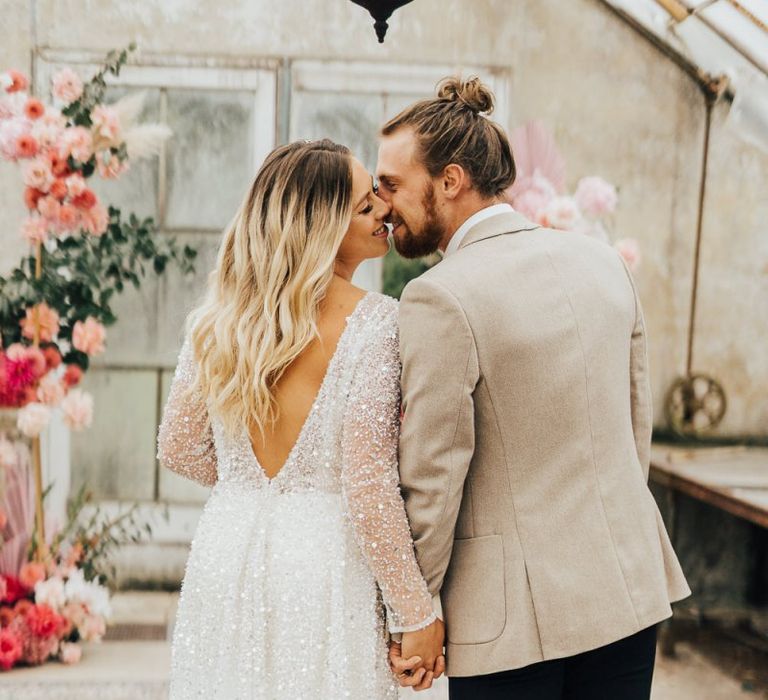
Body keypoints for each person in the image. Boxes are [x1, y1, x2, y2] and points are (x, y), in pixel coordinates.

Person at [377, 77, 691, 700]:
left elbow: (433, 477)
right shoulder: (604, 263)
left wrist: (413, 614)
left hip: (516, 626)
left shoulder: (440, 295)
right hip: (627, 590)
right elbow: (634, 431)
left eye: (391, 184)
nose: (382, 203)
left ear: (450, 180)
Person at [157, 139, 444, 699]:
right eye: (366, 206)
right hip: (325, 565)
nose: (385, 209)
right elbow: (368, 486)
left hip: (227, 552)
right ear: (322, 228)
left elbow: (178, 447)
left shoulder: (217, 321)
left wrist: (250, 485)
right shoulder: (377, 322)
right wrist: (416, 612)